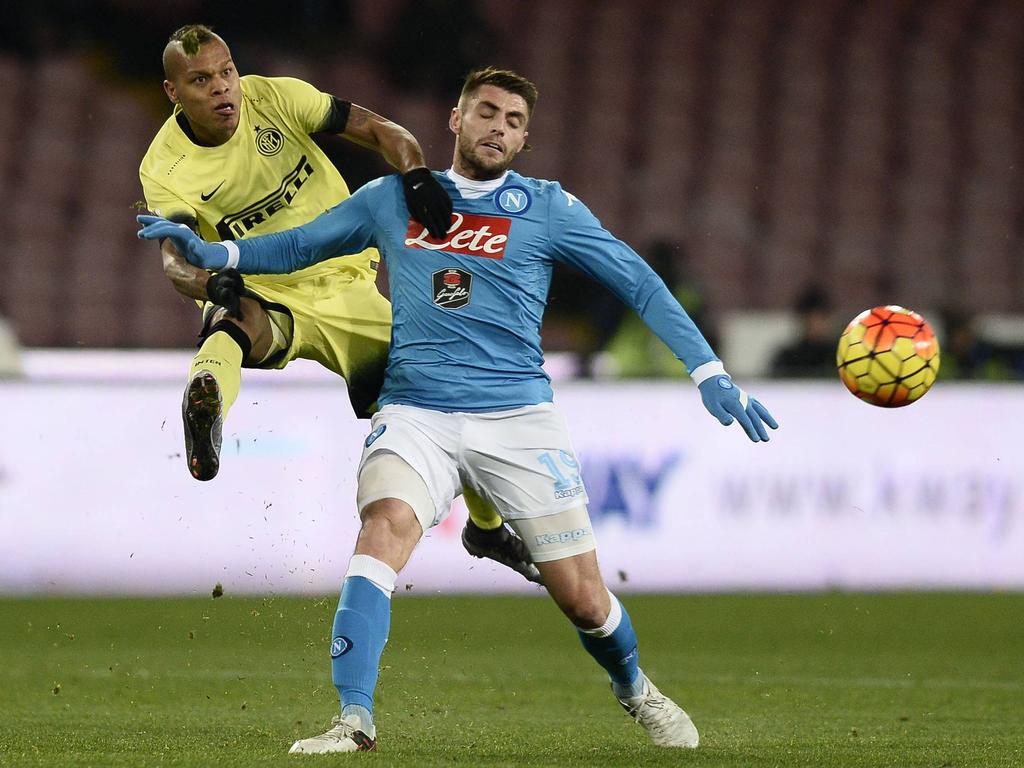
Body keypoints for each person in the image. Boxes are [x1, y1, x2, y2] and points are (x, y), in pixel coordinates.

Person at [138, 67, 779, 753]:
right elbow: (303, 243)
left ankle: (635, 690)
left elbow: (639, 284)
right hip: (416, 411)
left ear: (525, 138)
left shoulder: (548, 209)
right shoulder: (391, 199)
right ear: (455, 119)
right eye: (486, 113)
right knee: (381, 532)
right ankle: (354, 719)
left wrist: (709, 371)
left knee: (587, 602)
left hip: (519, 420)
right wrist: (221, 252)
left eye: (511, 121)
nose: (496, 128)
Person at [138, 25, 539, 583]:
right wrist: (208, 284)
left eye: (226, 71)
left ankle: (486, 526)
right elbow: (175, 261)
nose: (223, 88)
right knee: (231, 324)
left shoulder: (275, 98)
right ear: (173, 92)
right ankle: (205, 408)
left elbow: (381, 130)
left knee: (447, 404)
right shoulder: (165, 167)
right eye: (202, 80)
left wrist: (416, 172)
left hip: (345, 282)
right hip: (264, 285)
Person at [768, 283, 838, 379]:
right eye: (811, 319)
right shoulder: (788, 358)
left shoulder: (837, 357)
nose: (816, 324)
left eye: (821, 318)